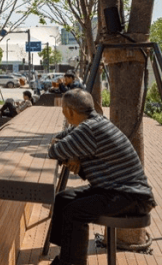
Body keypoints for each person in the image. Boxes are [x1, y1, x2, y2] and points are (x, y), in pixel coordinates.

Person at [47, 89, 156, 265]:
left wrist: (71, 156)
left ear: (70, 112)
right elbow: (58, 140)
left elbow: (54, 150)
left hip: (132, 196)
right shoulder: (93, 122)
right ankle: (67, 253)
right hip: (114, 189)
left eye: (63, 110)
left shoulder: (88, 129)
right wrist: (73, 156)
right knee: (63, 199)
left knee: (74, 211)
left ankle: (71, 263)